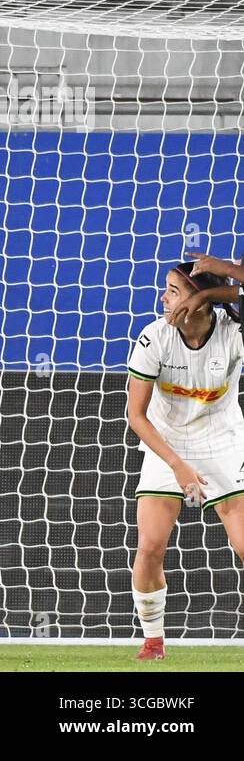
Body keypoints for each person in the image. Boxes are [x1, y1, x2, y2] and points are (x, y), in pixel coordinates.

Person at [128, 260, 244, 661]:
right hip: (167, 444)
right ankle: (153, 642)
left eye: (174, 291)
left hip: (222, 443)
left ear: (200, 301)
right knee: (150, 547)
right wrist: (177, 464)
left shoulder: (234, 334)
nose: (164, 297)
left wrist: (211, 287)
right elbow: (136, 416)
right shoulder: (153, 337)